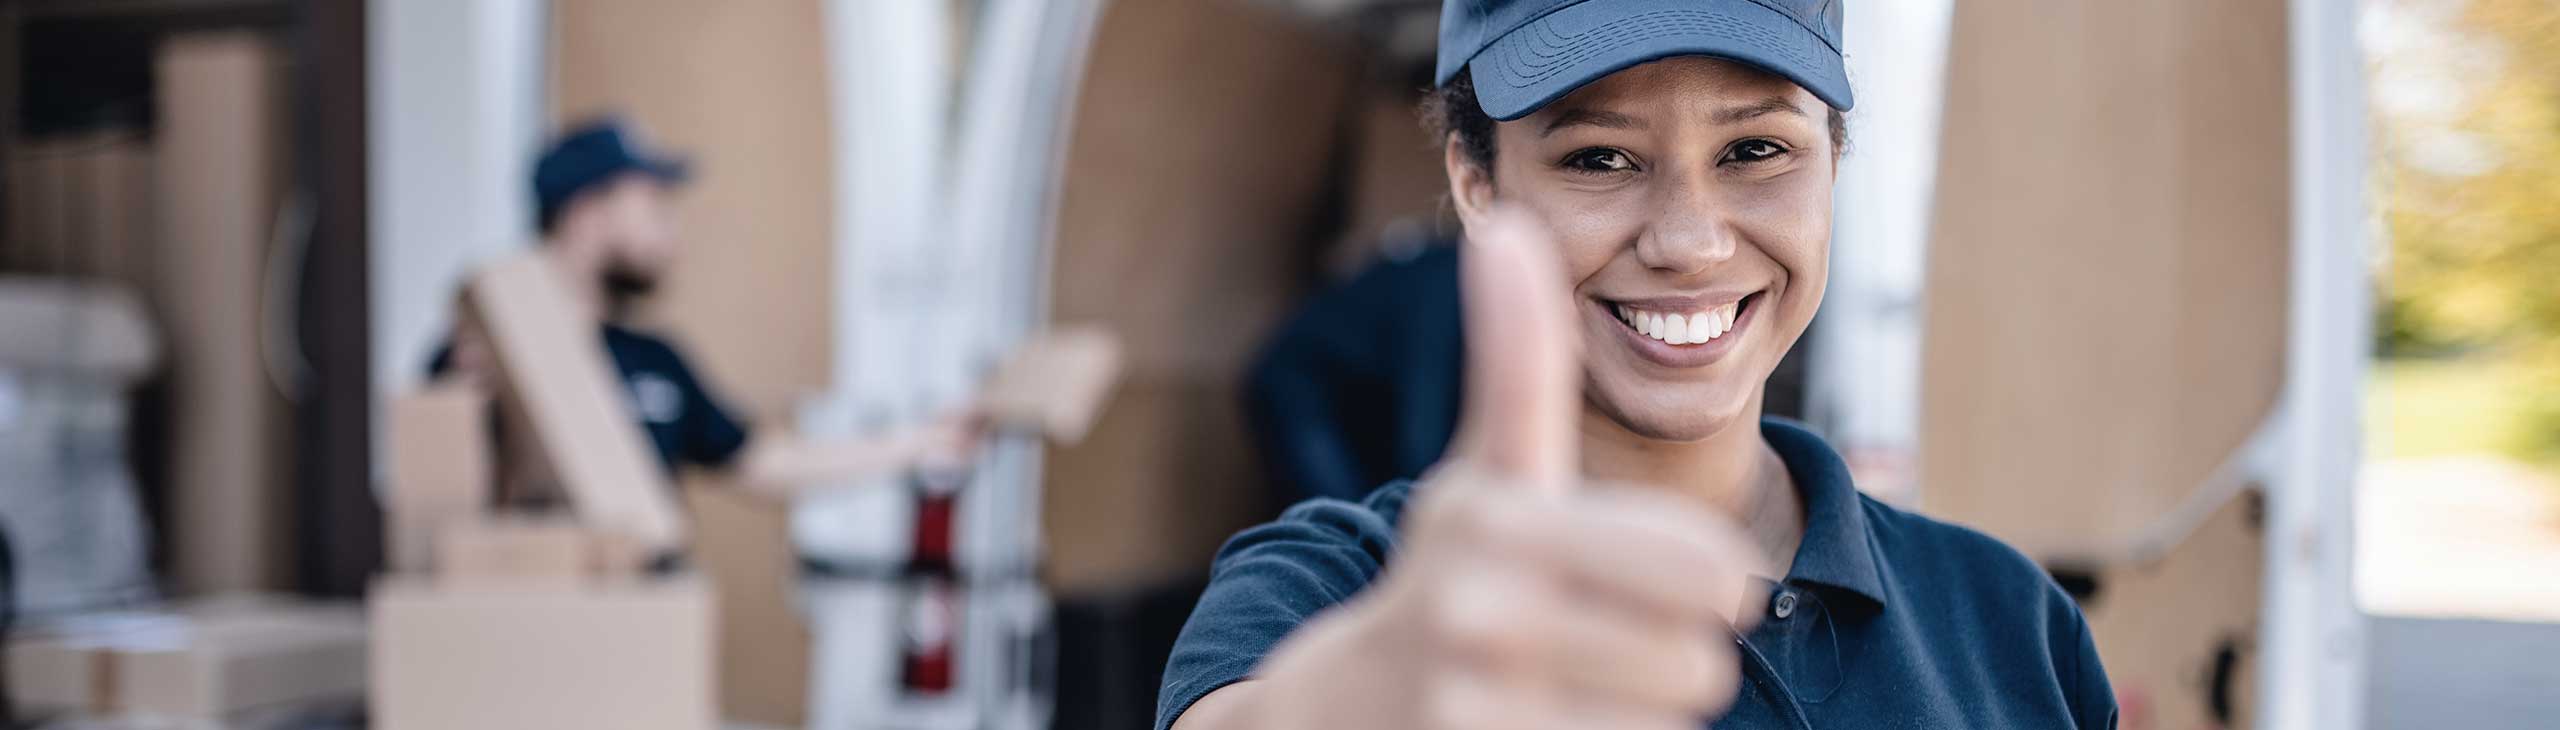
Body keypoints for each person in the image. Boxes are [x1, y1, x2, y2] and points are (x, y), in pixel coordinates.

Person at [1158, 1, 2117, 729]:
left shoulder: (2014, 625)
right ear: (1475, 183)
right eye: (1599, 160)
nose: (1690, 242)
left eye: (1755, 149)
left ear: (1833, 161)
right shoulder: (1316, 592)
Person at [433, 118, 976, 501]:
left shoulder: (656, 363)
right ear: (586, 213)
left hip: (640, 629)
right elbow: (432, 493)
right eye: (652, 205)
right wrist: (465, 405)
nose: (670, 231)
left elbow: (760, 462)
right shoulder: (477, 356)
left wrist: (918, 443)